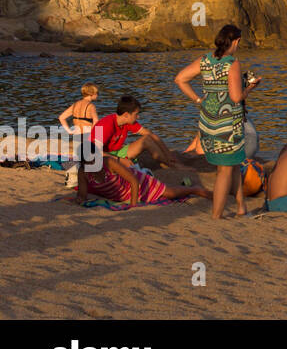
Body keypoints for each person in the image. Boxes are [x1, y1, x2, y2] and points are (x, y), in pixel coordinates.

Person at [174, 24, 259, 219]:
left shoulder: (205, 60)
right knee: (224, 171)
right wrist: (251, 87)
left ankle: (240, 207)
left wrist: (198, 99)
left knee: (235, 163)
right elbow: (236, 97)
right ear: (236, 41)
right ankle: (216, 216)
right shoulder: (232, 63)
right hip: (228, 124)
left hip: (209, 121)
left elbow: (180, 79)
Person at [78, 150, 212, 207]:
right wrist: (79, 201)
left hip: (140, 182)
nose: (93, 164)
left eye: (94, 160)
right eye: (88, 162)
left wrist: (133, 203)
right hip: (121, 193)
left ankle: (195, 189)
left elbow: (133, 181)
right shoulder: (83, 172)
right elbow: (82, 195)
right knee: (163, 197)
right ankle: (186, 186)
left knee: (169, 193)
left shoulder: (108, 162)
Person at [89, 96, 177, 168]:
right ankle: (171, 165)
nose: (138, 117)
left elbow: (150, 134)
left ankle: (168, 163)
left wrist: (168, 154)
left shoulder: (128, 122)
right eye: (136, 114)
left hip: (117, 152)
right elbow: (92, 152)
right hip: (101, 157)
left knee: (147, 139)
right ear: (126, 115)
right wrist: (120, 160)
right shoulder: (104, 125)